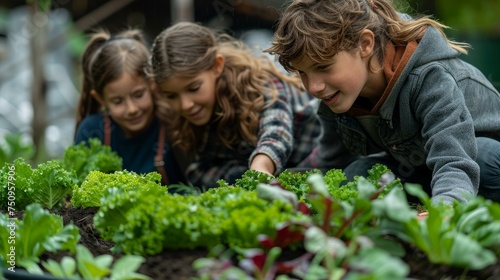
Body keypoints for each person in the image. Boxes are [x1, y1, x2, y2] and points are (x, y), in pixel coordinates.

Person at [264, 0, 500, 205]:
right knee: (357, 174)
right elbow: (328, 162)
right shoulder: (338, 94)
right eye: (303, 73)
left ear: (365, 44)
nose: (314, 87)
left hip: (469, 164)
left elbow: (455, 161)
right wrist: (274, 186)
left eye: (323, 67)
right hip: (423, 169)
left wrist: (442, 213)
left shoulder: (430, 78)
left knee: (486, 160)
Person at [146, 21, 321, 189]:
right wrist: (243, 180)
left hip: (318, 163)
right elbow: (200, 170)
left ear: (216, 66)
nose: (185, 105)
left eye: (193, 88)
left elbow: (276, 131)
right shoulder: (189, 118)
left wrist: (260, 168)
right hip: (275, 182)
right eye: (171, 95)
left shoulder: (261, 82)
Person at [74, 28, 186, 187]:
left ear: (152, 84)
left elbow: (190, 189)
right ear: (101, 99)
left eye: (138, 95)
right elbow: (81, 191)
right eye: (118, 101)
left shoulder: (172, 127)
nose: (132, 109)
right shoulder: (92, 132)